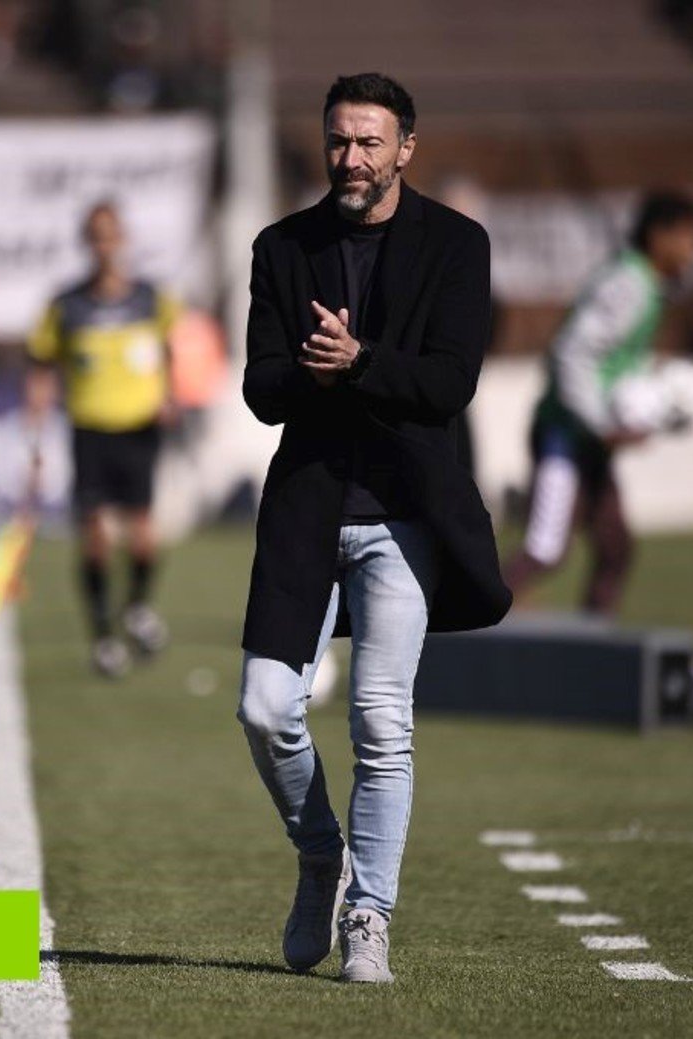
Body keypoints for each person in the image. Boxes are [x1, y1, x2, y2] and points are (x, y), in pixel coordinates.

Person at [236, 72, 510, 984]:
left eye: (367, 142)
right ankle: (321, 855)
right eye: (337, 141)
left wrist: (358, 362)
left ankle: (369, 914)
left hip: (405, 516)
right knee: (264, 707)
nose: (349, 158)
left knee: (381, 722)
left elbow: (448, 383)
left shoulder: (456, 244)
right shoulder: (282, 246)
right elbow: (260, 389)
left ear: (404, 149)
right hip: (306, 509)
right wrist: (311, 373)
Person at [502, 190, 693, 615]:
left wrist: (651, 391)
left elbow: (611, 360)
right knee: (546, 550)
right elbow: (571, 354)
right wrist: (603, 423)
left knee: (615, 546)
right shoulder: (628, 284)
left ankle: (594, 640)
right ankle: (462, 623)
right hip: (565, 435)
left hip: (588, 440)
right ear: (659, 235)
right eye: (689, 238)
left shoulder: (646, 285)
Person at [26, 201, 180, 679]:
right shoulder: (66, 305)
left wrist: (170, 396)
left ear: (123, 239)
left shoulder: (151, 299)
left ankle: (136, 607)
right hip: (90, 429)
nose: (104, 245)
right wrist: (34, 431)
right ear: (87, 243)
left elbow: (172, 350)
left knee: (143, 536)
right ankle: (103, 637)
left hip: (139, 428)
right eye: (96, 236)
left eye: (111, 234)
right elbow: (41, 366)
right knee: (94, 536)